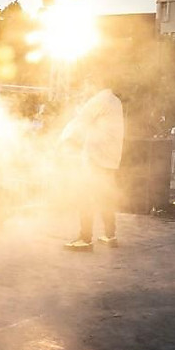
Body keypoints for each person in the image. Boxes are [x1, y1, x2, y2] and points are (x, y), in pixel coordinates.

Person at [60, 82, 125, 248]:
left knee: (85, 195)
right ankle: (110, 235)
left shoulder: (100, 99)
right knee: (106, 196)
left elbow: (80, 121)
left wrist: (63, 140)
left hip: (96, 157)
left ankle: (85, 238)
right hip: (110, 158)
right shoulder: (115, 101)